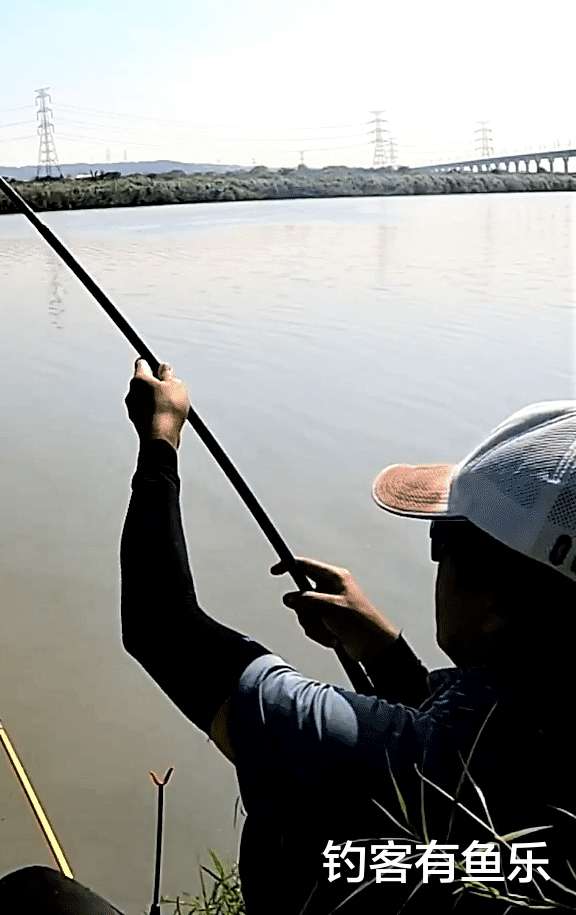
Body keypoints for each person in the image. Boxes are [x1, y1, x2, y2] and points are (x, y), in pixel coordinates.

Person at [116, 358, 576, 913]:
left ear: (500, 601)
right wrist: (383, 653)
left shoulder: (420, 766)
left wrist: (160, 440)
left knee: (36, 895)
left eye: (443, 540)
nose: (436, 558)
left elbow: (160, 626)